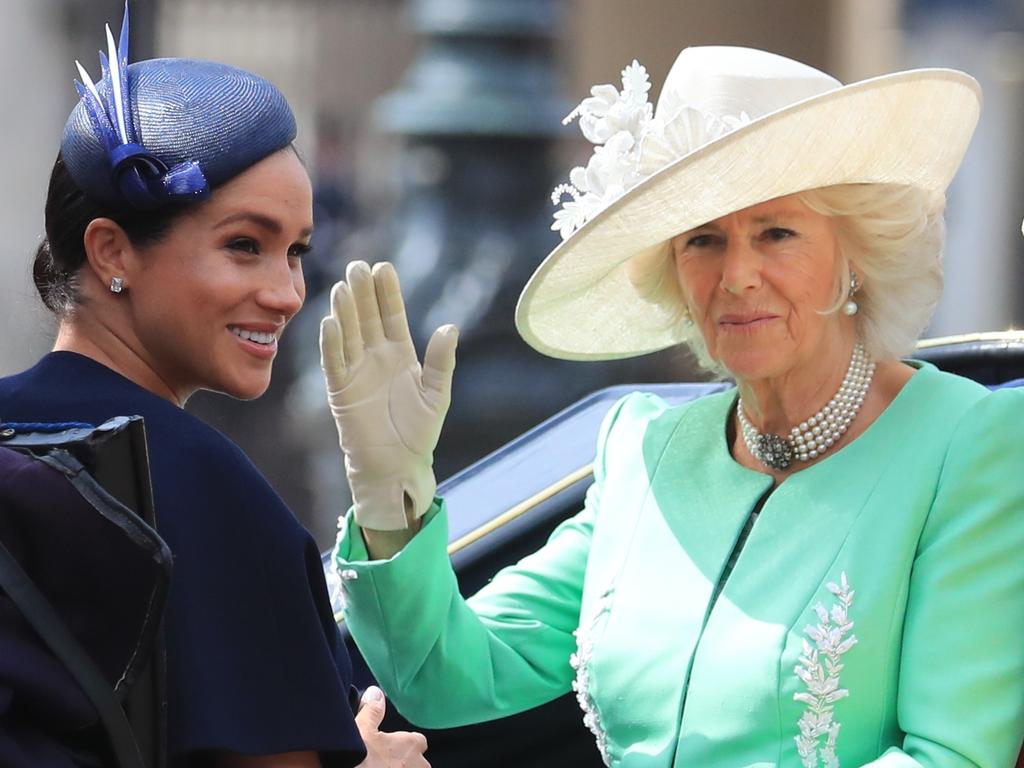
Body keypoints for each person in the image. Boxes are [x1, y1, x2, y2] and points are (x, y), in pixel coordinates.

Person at [324, 47, 1024, 767]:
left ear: (856, 253)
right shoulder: (644, 448)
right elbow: (446, 676)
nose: (737, 276)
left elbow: (952, 756)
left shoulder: (969, 444)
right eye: (704, 240)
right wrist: (390, 494)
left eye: (776, 232)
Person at [0, 7, 428, 768]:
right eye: (244, 246)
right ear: (111, 252)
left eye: (296, 251)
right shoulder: (203, 487)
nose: (287, 292)